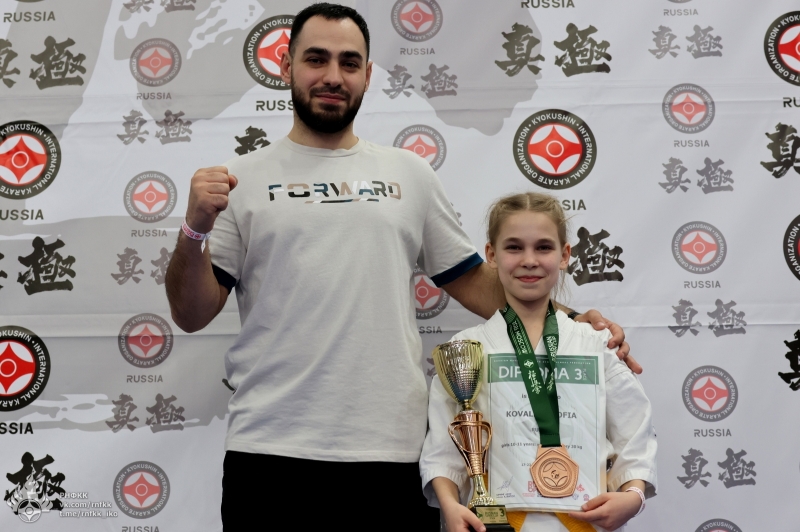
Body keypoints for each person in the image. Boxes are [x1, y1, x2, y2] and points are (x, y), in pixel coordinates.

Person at [164, 4, 635, 528]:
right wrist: (194, 229)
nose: (333, 76)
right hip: (270, 451)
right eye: (316, 59)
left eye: (349, 63)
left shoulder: (409, 173)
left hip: (392, 451)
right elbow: (191, 313)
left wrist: (574, 324)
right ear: (286, 65)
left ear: (367, 75)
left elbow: (475, 282)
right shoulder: (240, 179)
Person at [420, 192, 657, 532]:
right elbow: (443, 450)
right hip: (493, 525)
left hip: (583, 523)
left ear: (564, 255)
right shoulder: (466, 349)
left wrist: (633, 496)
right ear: (491, 255)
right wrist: (449, 505)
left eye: (543, 247)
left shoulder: (595, 344)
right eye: (514, 247)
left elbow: (635, 435)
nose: (529, 260)